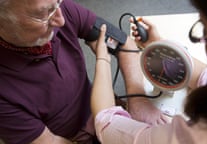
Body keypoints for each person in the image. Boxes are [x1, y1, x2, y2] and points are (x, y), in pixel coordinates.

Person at [0, 0, 166, 143]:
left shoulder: (60, 9)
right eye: (44, 14)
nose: (61, 20)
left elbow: (124, 45)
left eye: (57, 2)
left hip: (101, 106)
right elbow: (49, 142)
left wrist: (139, 101)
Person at [91, 0, 207, 143]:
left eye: (205, 31)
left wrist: (102, 59)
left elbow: (105, 124)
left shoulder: (192, 138)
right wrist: (158, 46)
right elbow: (205, 76)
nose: (203, 37)